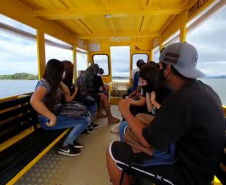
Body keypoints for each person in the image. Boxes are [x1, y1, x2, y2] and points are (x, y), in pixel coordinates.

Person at [106, 42, 225, 185]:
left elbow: (146, 141)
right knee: (137, 125)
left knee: (113, 152)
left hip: (188, 175)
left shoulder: (179, 99)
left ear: (168, 68)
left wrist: (125, 111)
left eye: (160, 66)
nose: (159, 70)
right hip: (203, 166)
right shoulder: (207, 91)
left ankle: (133, 171)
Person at [30, 59, 90, 157]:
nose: (63, 73)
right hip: (47, 120)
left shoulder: (53, 83)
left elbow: (66, 92)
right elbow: (34, 100)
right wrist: (52, 117)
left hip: (58, 112)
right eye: (61, 71)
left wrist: (59, 81)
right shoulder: (44, 84)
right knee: (84, 121)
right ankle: (65, 146)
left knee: (86, 115)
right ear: (57, 72)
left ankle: (71, 141)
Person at [62, 60, 99, 132]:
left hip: (76, 96)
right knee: (92, 103)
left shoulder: (66, 80)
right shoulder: (65, 81)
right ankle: (87, 124)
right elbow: (68, 99)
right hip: (69, 102)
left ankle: (88, 123)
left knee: (91, 101)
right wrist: (75, 91)